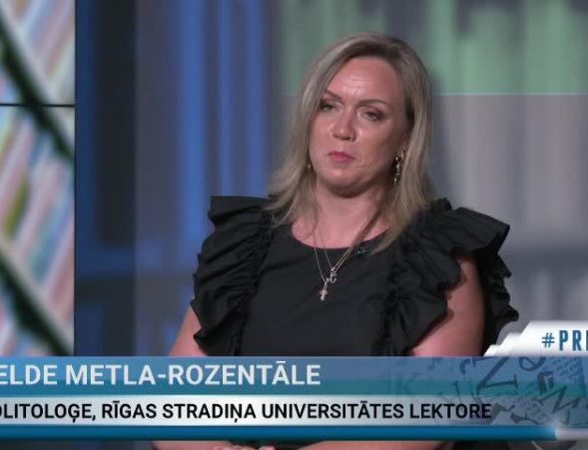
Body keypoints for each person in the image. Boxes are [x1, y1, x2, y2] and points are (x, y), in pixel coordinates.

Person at [160, 32, 518, 450]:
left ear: (405, 138)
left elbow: (428, 420)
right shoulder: (243, 246)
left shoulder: (439, 256)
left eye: (371, 114)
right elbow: (171, 406)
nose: (342, 129)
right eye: (328, 106)